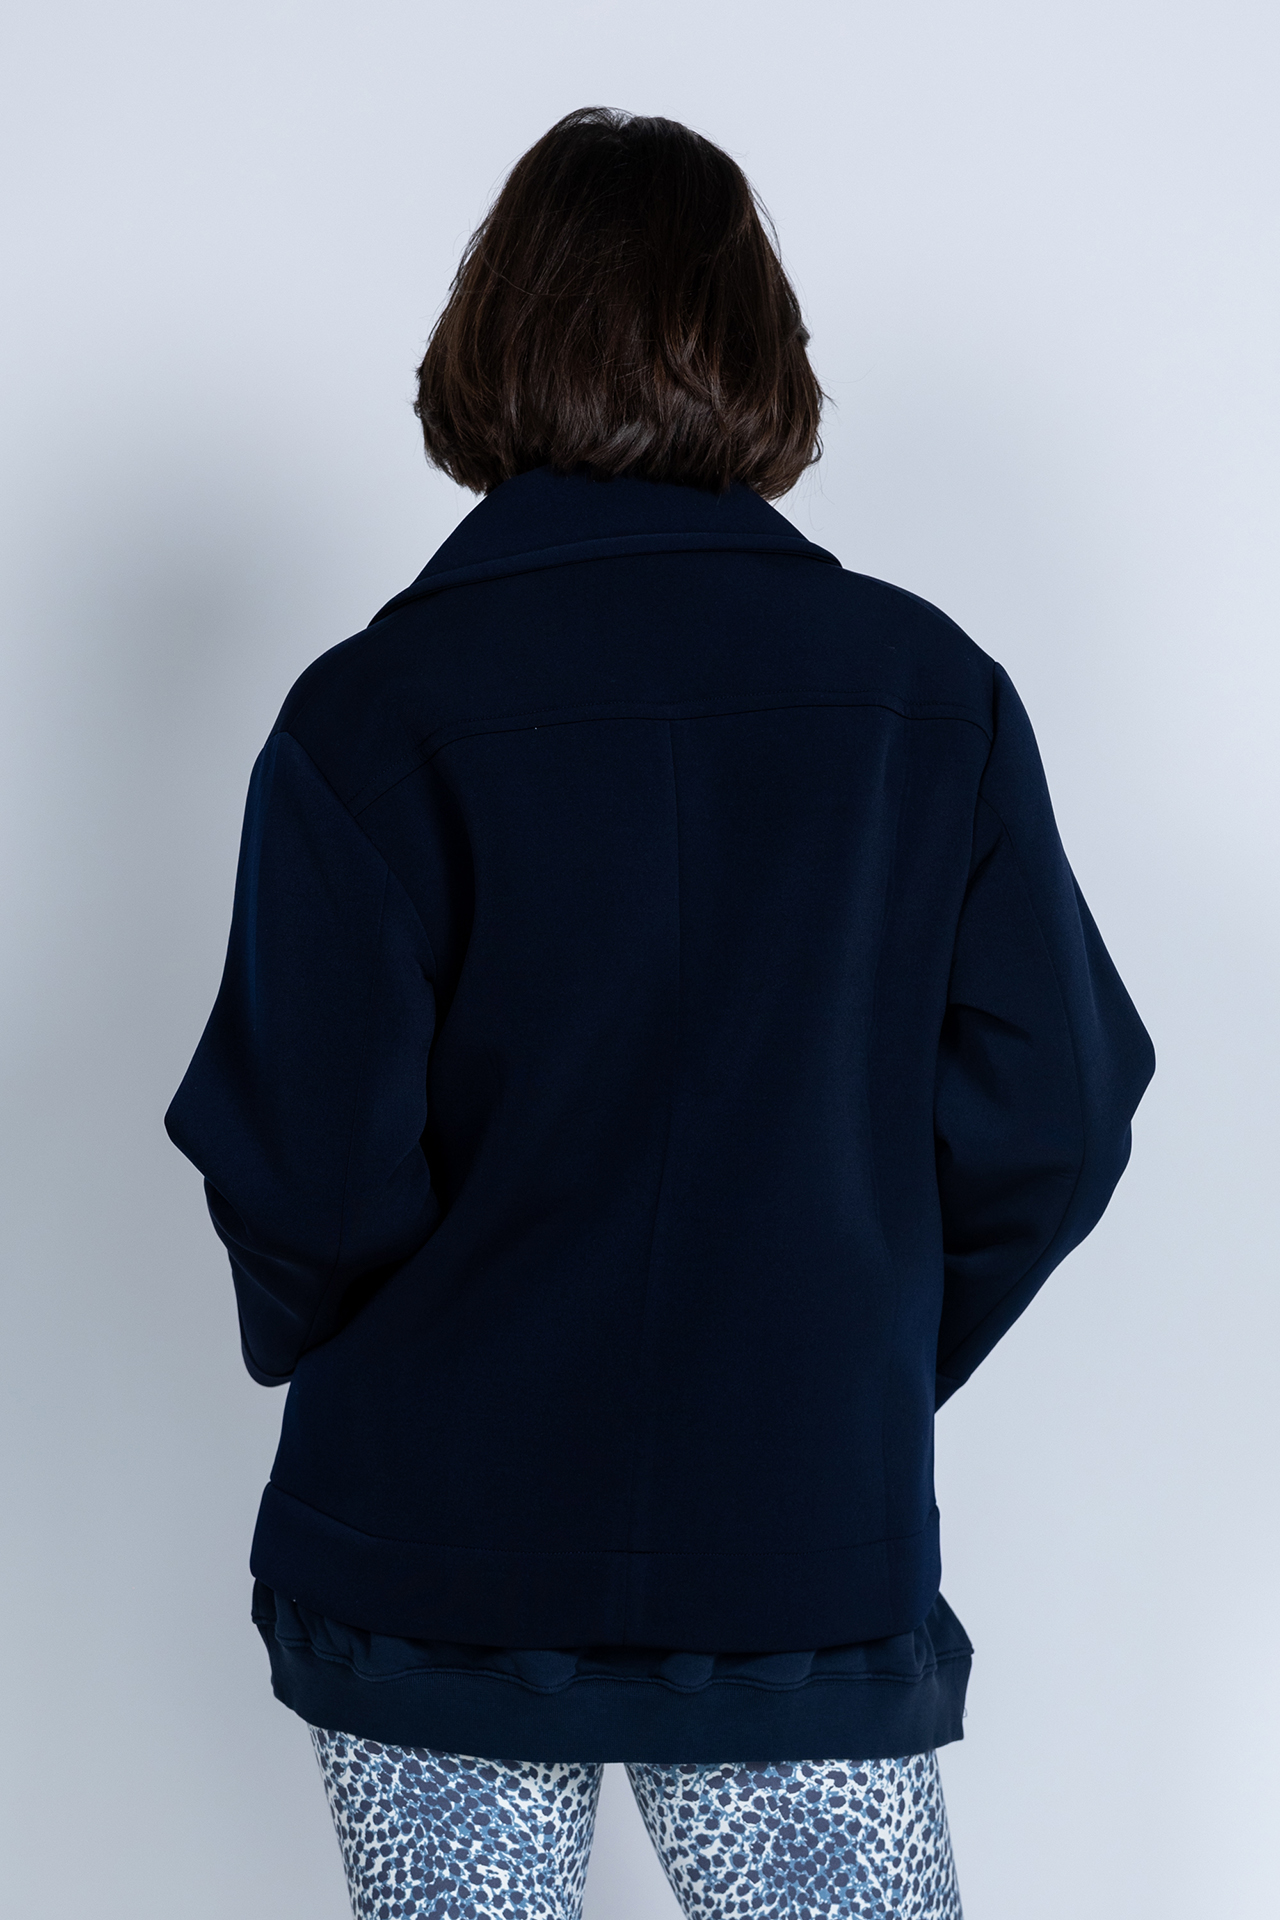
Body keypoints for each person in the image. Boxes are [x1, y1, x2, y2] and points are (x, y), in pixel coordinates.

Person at [165, 106, 1154, 1920]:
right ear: (760, 347)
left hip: (439, 1545)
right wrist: (844, 1342)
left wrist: (407, 1342)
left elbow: (305, 1163)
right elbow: (1058, 1112)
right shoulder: (929, 696)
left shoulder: (371, 715)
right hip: (795, 1545)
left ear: (492, 340)